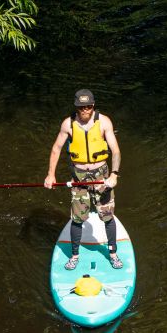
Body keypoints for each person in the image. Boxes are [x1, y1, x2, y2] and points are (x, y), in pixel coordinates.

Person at [44, 89, 122, 269]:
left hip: (101, 175)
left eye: (88, 106)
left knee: (107, 215)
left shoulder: (104, 122)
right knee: (77, 218)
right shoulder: (68, 124)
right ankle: (74, 256)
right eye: (81, 107)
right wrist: (50, 174)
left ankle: (112, 253)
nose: (85, 110)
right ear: (76, 107)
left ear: (93, 106)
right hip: (78, 177)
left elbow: (116, 151)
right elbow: (56, 148)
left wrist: (114, 174)